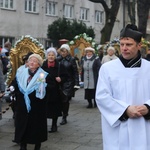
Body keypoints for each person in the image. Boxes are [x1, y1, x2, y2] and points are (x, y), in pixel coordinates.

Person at [95, 24, 150, 150]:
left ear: (139, 46)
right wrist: (124, 110)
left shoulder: (149, 68)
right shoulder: (107, 68)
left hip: (144, 126)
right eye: (122, 44)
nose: (124, 48)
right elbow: (102, 97)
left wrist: (148, 107)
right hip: (118, 128)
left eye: (129, 44)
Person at [9, 54, 53, 150]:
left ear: (39, 64)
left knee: (35, 126)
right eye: (30, 61)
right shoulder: (21, 73)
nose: (32, 63)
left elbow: (51, 88)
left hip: (37, 106)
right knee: (22, 125)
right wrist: (12, 87)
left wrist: (44, 86)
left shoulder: (44, 74)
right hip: (22, 105)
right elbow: (15, 83)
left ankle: (37, 144)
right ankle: (22, 144)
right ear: (27, 63)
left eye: (35, 61)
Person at [42, 47, 68, 132]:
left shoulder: (60, 66)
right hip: (45, 90)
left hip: (55, 91)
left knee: (55, 109)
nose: (51, 57)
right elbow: (39, 76)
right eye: (49, 55)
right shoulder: (43, 66)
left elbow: (66, 76)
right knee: (44, 109)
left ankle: (54, 125)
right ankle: (43, 126)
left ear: (55, 56)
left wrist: (61, 79)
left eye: (52, 55)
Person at [58, 44, 80, 125]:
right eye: (62, 51)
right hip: (60, 82)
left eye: (64, 51)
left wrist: (77, 83)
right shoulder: (58, 59)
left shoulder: (71, 60)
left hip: (69, 82)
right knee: (60, 100)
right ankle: (61, 113)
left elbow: (75, 72)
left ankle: (64, 116)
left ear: (67, 52)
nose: (63, 53)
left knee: (65, 100)